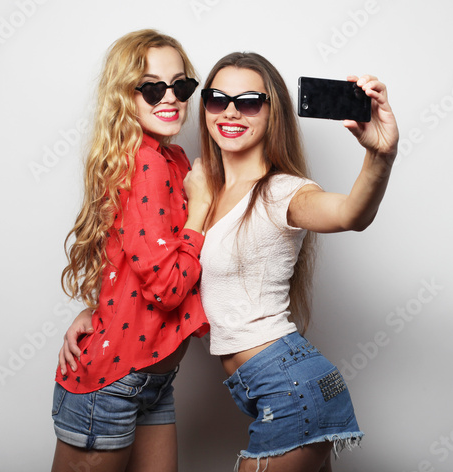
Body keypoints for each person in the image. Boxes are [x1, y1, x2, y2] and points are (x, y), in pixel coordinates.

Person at [61, 51, 399, 471]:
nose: (231, 112)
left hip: (292, 390)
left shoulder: (282, 191)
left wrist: (380, 156)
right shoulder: (197, 187)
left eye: (250, 101)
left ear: (272, 112)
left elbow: (351, 213)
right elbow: (154, 267)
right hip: (277, 388)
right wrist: (96, 312)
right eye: (218, 99)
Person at [51, 29, 211, 472]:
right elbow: (167, 289)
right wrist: (198, 209)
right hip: (114, 383)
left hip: (153, 380)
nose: (171, 98)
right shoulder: (144, 164)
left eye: (180, 86)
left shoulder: (173, 158)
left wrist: (96, 308)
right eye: (153, 88)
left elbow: (130, 258)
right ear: (126, 96)